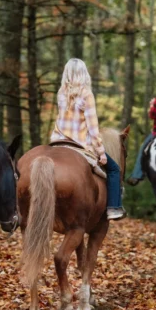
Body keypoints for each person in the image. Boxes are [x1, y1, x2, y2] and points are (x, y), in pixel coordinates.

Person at [51, 58, 125, 220]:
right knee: (114, 170)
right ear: (84, 74)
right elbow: (92, 127)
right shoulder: (86, 94)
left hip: (58, 142)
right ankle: (114, 207)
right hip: (79, 144)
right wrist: (101, 152)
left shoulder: (61, 92)